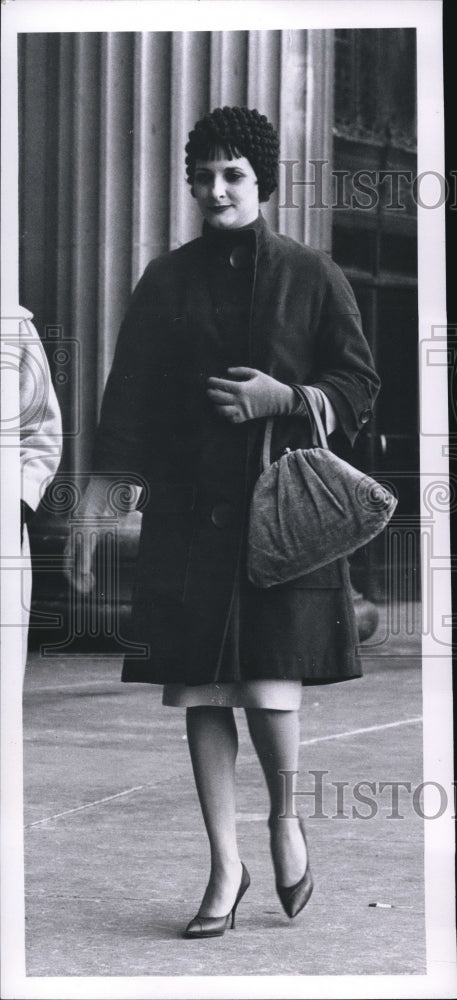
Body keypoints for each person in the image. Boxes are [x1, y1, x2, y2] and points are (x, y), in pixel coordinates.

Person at [69, 107, 380, 938]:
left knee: (270, 686)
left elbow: (358, 382)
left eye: (233, 174)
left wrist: (287, 399)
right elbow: (126, 404)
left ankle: (284, 819)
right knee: (201, 692)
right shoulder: (164, 280)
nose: (215, 188)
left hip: (278, 515)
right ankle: (223, 863)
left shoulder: (311, 274)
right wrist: (95, 514)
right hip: (187, 516)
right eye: (202, 174)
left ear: (262, 182)